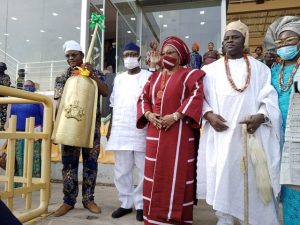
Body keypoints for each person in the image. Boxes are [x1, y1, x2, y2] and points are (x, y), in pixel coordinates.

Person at [197, 20, 282, 225]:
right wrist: (208, 115)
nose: (229, 41)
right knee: (222, 177)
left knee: (252, 180)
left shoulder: (260, 69)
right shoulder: (211, 70)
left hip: (250, 135)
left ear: (245, 40)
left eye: (234, 37)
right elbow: (200, 98)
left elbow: (269, 98)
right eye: (226, 38)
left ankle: (252, 219)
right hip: (221, 136)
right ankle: (224, 219)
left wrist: (261, 116)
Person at [137, 36, 205, 224]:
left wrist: (175, 116)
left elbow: (196, 97)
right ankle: (153, 218)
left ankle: (176, 219)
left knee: (178, 174)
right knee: (152, 175)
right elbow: (143, 98)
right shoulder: (154, 76)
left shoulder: (191, 75)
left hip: (179, 134)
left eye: (170, 52)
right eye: (164, 52)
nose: (166, 56)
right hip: (154, 134)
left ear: (181, 54)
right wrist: (149, 115)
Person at [53, 40, 108, 217]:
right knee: (68, 165)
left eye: (74, 54)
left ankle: (88, 199)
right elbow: (59, 103)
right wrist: (57, 128)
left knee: (90, 164)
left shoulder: (94, 71)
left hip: (91, 128)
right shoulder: (62, 77)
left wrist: (91, 75)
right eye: (68, 56)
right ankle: (68, 201)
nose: (71, 58)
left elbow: (105, 91)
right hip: (69, 127)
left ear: (82, 55)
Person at [106, 42, 151, 222]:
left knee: (143, 168)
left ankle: (141, 204)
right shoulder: (119, 78)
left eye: (133, 54)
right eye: (126, 55)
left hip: (142, 128)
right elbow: (113, 104)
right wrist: (110, 127)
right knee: (121, 169)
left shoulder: (149, 76)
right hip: (120, 127)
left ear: (139, 57)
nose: (129, 58)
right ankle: (125, 203)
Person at [264, 16, 300, 225]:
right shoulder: (273, 71)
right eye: (280, 42)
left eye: (290, 40)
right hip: (280, 139)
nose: (285, 46)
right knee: (287, 191)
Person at [10, 80, 43, 187]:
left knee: (34, 159)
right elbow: (11, 118)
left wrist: (43, 132)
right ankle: (19, 183)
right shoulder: (15, 100)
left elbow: (44, 118)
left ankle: (33, 183)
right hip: (18, 134)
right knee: (19, 159)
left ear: (34, 87)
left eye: (30, 86)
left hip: (34, 135)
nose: (27, 87)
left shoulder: (38, 100)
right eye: (25, 86)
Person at [0, 62, 11, 131]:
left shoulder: (6, 77)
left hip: (4, 97)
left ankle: (1, 127)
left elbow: (7, 85)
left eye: (2, 68)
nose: (1, 69)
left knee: (3, 114)